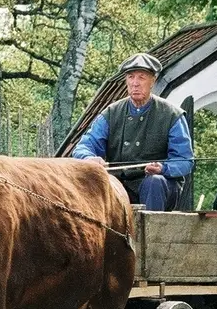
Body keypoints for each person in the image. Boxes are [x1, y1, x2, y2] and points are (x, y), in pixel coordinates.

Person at [72, 52, 194, 210]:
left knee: (154, 182)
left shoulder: (172, 115)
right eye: (131, 77)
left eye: (141, 77)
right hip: (120, 184)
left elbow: (185, 161)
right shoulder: (111, 112)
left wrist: (164, 168)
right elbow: (83, 147)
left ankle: (151, 233)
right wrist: (89, 158)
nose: (135, 83)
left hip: (158, 187)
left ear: (153, 81)